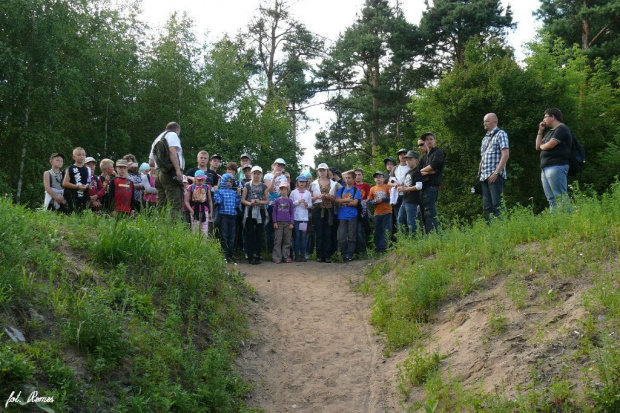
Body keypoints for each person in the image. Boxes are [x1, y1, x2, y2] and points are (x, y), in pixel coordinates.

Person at [536, 108, 572, 212]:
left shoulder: (561, 129)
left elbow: (550, 145)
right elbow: (538, 146)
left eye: (545, 117)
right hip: (546, 167)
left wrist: (543, 146)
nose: (543, 120)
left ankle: (567, 220)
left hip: (557, 166)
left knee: (560, 196)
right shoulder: (550, 132)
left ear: (552, 117)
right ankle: (555, 222)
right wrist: (540, 131)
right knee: (551, 198)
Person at [149, 122, 185, 215]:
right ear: (177, 130)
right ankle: (172, 227)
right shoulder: (173, 135)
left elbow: (151, 162)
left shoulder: (156, 139)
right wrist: (177, 170)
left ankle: (159, 225)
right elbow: (172, 151)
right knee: (175, 202)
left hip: (158, 172)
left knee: (161, 202)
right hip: (170, 172)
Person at [479, 113, 510, 221]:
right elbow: (483, 157)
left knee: (497, 204)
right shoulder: (485, 138)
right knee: (487, 207)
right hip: (484, 176)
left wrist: (496, 173)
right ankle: (491, 230)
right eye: (484, 121)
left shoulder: (501, 134)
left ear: (495, 122)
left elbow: (505, 154)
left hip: (494, 175)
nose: (485, 123)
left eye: (487, 121)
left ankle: (501, 228)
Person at [241, 166, 270, 265]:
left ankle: (258, 255)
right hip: (249, 211)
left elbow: (267, 200)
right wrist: (250, 203)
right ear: (251, 174)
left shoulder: (264, 186)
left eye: (258, 173)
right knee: (250, 233)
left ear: (261, 175)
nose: (256, 175)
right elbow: (243, 199)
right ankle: (250, 255)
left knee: (259, 233)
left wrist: (259, 201)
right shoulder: (247, 185)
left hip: (260, 211)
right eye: (254, 173)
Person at [418, 132, 445, 234]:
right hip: (422, 188)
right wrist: (426, 171)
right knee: (422, 213)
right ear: (424, 142)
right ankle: (428, 236)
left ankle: (434, 236)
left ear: (435, 141)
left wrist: (422, 171)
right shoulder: (423, 158)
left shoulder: (438, 152)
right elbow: (418, 172)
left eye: (431, 139)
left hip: (432, 186)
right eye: (427, 139)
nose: (429, 141)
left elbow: (434, 167)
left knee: (430, 212)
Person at [310, 163, 337, 263]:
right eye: (320, 170)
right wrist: (318, 197)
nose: (322, 172)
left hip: (329, 209)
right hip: (318, 209)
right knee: (319, 233)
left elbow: (336, 198)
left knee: (328, 233)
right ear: (318, 172)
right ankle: (319, 255)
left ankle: (328, 256)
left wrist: (330, 197)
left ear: (327, 171)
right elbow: (310, 199)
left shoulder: (333, 184)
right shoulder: (313, 184)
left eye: (324, 170)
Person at [213, 173, 241, 263]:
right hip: (223, 216)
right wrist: (216, 191)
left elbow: (237, 204)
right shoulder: (220, 191)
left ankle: (230, 255)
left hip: (233, 216)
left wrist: (238, 195)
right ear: (223, 181)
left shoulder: (233, 192)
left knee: (232, 237)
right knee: (224, 236)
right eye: (227, 181)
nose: (228, 183)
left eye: (230, 181)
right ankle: (224, 255)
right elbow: (218, 201)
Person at [335, 170, 362, 262]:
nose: (347, 180)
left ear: (354, 179)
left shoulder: (356, 190)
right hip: (342, 216)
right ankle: (343, 255)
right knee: (342, 236)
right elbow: (337, 200)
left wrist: (343, 201)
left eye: (349, 178)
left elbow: (355, 202)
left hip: (352, 215)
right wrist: (347, 200)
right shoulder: (341, 189)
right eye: (346, 178)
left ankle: (350, 254)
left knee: (351, 236)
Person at [264, 158, 290, 252]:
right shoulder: (268, 176)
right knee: (271, 228)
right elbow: (270, 190)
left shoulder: (284, 177)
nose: (280, 167)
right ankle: (271, 251)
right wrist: (274, 178)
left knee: (281, 229)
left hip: (282, 205)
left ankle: (282, 252)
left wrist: (288, 179)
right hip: (271, 205)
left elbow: (288, 192)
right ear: (273, 165)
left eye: (282, 166)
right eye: (278, 165)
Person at [398, 151, 423, 235]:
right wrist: (403, 184)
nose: (408, 161)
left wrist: (405, 188)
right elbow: (409, 183)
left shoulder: (417, 171)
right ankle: (404, 241)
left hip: (413, 201)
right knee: (400, 220)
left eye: (410, 159)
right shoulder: (408, 172)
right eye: (407, 159)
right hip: (405, 200)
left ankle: (414, 241)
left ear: (416, 160)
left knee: (411, 223)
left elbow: (419, 186)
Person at [368, 172, 392, 254]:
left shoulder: (387, 187)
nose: (378, 178)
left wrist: (383, 199)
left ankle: (384, 247)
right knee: (378, 231)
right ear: (374, 179)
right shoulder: (372, 189)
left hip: (387, 211)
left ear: (383, 178)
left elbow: (391, 197)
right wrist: (374, 201)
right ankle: (378, 248)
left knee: (386, 230)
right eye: (376, 177)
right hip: (377, 213)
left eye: (380, 177)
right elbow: (369, 201)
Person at [290, 175, 312, 262]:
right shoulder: (293, 192)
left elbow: (310, 204)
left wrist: (307, 205)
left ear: (306, 183)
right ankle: (296, 254)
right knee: (296, 236)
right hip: (296, 218)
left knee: (303, 236)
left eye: (303, 182)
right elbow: (290, 203)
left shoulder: (308, 193)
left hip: (304, 218)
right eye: (300, 182)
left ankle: (303, 254)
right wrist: (298, 202)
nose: (302, 184)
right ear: (297, 183)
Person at [62, 147, 91, 214]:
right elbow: (65, 183)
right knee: (71, 214)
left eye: (83, 155)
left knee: (83, 214)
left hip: (84, 197)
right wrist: (77, 187)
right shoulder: (70, 168)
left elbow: (88, 182)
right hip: (72, 196)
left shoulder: (87, 169)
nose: (82, 156)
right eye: (79, 155)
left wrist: (89, 186)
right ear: (74, 157)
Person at [185, 170, 213, 237]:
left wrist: (211, 212)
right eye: (199, 180)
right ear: (195, 179)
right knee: (195, 231)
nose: (201, 182)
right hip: (195, 210)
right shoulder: (191, 187)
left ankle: (203, 245)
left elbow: (209, 200)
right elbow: (186, 201)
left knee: (204, 231)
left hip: (205, 210)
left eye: (202, 180)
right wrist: (191, 211)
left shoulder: (206, 187)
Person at [272, 183, 295, 264]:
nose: (283, 191)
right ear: (279, 191)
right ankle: (277, 257)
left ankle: (286, 256)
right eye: (281, 189)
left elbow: (292, 212)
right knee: (277, 240)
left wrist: (292, 223)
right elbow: (274, 212)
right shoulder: (277, 200)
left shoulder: (290, 201)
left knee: (287, 240)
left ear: (287, 190)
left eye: (285, 189)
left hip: (288, 223)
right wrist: (275, 222)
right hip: (278, 223)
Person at [354, 168, 371, 254]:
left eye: (359, 175)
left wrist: (364, 202)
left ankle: (365, 249)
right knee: (356, 230)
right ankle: (358, 250)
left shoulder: (366, 185)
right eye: (355, 175)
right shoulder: (352, 185)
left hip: (363, 210)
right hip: (354, 210)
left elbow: (369, 196)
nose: (357, 177)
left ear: (362, 176)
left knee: (365, 229)